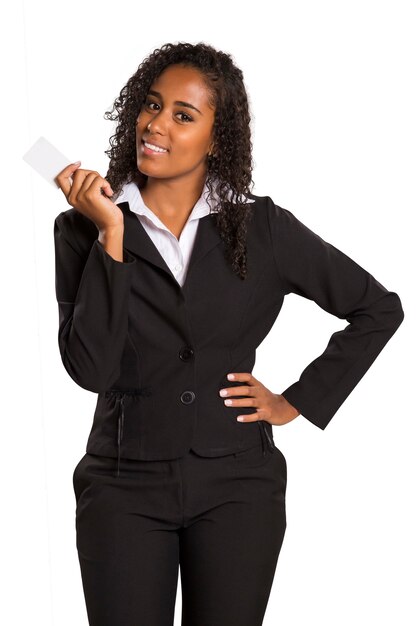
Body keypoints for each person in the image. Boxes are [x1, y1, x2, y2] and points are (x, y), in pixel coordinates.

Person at [54, 42, 404, 626]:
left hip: (239, 483)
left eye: (182, 116)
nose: (155, 125)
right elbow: (90, 370)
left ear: (217, 139)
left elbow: (377, 309)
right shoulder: (83, 227)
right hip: (122, 483)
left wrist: (297, 401)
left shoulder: (262, 228)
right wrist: (111, 233)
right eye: (151, 105)